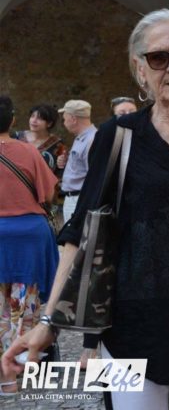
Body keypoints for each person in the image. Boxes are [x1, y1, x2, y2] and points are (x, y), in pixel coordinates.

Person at [2, 8, 169, 410]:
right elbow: (81, 233)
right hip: (130, 333)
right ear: (140, 69)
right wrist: (48, 323)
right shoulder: (118, 137)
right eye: (159, 57)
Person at [0, 96, 59, 396]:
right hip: (29, 237)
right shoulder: (28, 151)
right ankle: (17, 375)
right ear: (12, 120)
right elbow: (48, 194)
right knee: (24, 308)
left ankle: (3, 377)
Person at [56, 99, 96, 223]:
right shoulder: (81, 137)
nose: (64, 123)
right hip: (75, 198)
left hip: (80, 200)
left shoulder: (91, 140)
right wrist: (67, 162)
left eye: (64, 119)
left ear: (73, 119)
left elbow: (93, 176)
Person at [13, 104, 65, 175]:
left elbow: (60, 170)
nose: (34, 121)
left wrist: (62, 162)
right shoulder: (16, 137)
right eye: (32, 116)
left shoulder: (58, 144)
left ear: (49, 123)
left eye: (39, 118)